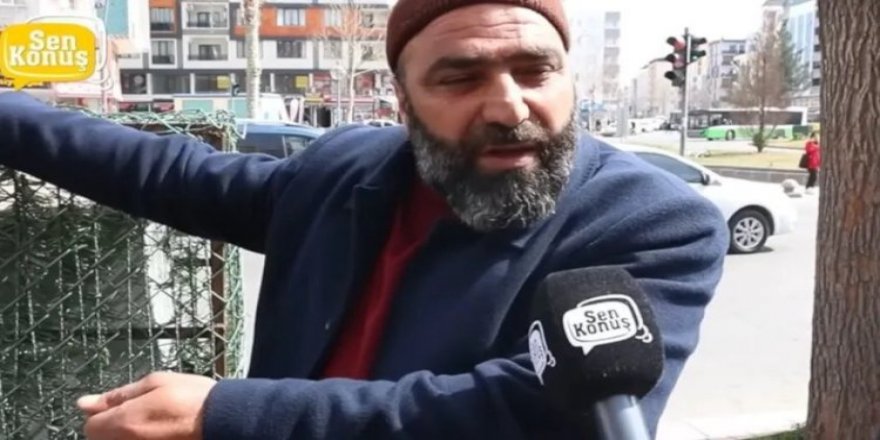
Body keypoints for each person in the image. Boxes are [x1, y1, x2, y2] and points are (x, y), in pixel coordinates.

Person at [0, 1, 729, 439]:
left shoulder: (655, 221)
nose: (510, 106)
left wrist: (230, 415)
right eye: (461, 78)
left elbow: (533, 417)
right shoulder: (348, 170)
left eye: (535, 71)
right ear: (404, 104)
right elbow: (170, 173)